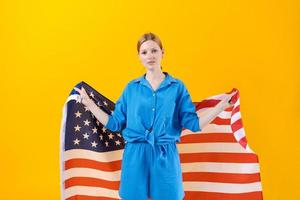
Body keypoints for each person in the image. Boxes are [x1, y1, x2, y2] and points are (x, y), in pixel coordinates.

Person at [74, 32, 236, 200]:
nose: (149, 56)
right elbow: (115, 123)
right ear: (139, 57)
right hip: (135, 154)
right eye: (144, 52)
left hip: (165, 154)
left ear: (162, 53)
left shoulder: (177, 87)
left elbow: (194, 124)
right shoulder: (131, 88)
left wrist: (221, 106)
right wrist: (90, 105)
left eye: (154, 51)